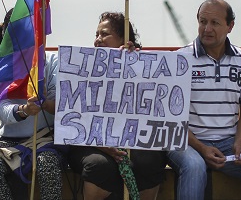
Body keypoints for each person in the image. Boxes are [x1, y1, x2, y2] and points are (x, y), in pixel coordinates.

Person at [167, 0, 241, 200]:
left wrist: (239, 142)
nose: (207, 28)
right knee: (194, 166)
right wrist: (201, 147)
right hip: (187, 142)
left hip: (227, 142)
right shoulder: (180, 59)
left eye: (215, 23)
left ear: (230, 26)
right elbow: (172, 117)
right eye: (202, 22)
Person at [67, 11, 167, 200]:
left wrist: (133, 65)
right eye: (96, 35)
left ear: (124, 38)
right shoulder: (83, 68)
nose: (98, 40)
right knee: (100, 165)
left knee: (150, 159)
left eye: (104, 34)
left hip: (130, 140)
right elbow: (76, 117)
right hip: (90, 142)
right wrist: (105, 147)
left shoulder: (140, 65)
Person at [0, 10, 67, 200]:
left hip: (45, 140)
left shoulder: (52, 61)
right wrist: (23, 110)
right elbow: (1, 108)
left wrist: (45, 103)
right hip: (10, 142)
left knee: (47, 164)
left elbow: (61, 102)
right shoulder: (0, 67)